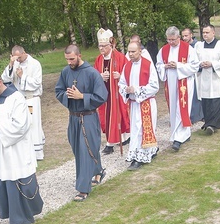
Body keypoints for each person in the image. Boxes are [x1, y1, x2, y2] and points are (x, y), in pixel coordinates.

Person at [0, 70, 44, 224]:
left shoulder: (16, 99)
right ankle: (12, 216)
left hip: (14, 151)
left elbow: (21, 125)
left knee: (16, 184)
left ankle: (17, 223)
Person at [55, 44, 109, 201]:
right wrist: (68, 96)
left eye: (71, 59)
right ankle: (98, 170)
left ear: (79, 55)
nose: (69, 62)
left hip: (88, 117)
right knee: (79, 149)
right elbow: (58, 91)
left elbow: (101, 96)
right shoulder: (65, 72)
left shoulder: (92, 73)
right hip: (73, 117)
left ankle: (83, 189)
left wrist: (82, 97)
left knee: (85, 151)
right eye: (67, 59)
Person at [156, 26, 200, 151]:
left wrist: (178, 66)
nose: (171, 42)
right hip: (170, 83)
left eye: (173, 40)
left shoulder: (188, 49)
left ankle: (178, 138)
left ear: (179, 37)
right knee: (174, 109)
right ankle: (183, 134)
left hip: (184, 83)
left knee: (182, 109)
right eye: (169, 40)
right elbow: (158, 65)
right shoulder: (164, 50)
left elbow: (195, 66)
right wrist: (165, 66)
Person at [118, 41, 159, 170]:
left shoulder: (148, 65)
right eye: (129, 51)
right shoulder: (127, 66)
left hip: (146, 102)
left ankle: (139, 158)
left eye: (133, 51)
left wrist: (136, 89)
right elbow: (121, 83)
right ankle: (146, 152)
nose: (130, 54)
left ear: (140, 51)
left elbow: (154, 86)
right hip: (134, 104)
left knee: (143, 130)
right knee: (136, 130)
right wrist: (126, 89)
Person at [1, 45, 45, 160]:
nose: (18, 60)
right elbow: (5, 79)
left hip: (32, 98)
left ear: (24, 52)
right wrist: (11, 65)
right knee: (21, 124)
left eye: (19, 57)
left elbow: (36, 83)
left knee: (33, 124)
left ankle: (36, 153)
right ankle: (24, 150)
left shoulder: (35, 64)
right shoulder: (15, 64)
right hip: (20, 100)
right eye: (16, 58)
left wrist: (22, 76)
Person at [93, 28, 130, 154]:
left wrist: (120, 76)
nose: (101, 49)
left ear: (111, 45)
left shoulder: (119, 57)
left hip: (117, 93)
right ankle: (112, 140)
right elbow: (93, 75)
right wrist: (100, 76)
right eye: (99, 46)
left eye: (103, 46)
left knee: (119, 115)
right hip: (104, 94)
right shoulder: (99, 59)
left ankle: (116, 141)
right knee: (106, 115)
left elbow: (129, 73)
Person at [195, 24, 220, 134]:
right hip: (204, 78)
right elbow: (194, 60)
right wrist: (200, 64)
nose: (205, 34)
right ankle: (209, 122)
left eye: (207, 32)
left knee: (216, 101)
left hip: (216, 79)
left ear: (213, 33)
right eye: (203, 33)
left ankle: (212, 125)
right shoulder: (199, 46)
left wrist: (212, 64)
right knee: (206, 102)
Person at [182, 27, 203, 124]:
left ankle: (197, 116)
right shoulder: (183, 46)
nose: (184, 38)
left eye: (186, 35)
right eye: (183, 36)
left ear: (191, 35)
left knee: (197, 95)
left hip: (197, 73)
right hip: (188, 73)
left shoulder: (197, 45)